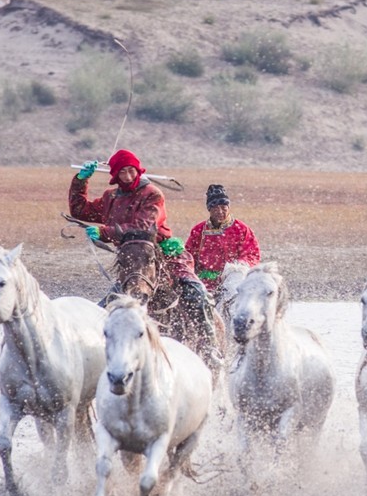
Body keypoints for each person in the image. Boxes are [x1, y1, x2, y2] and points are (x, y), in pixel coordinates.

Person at [68, 149, 219, 355]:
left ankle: (210, 348)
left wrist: (105, 232)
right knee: (106, 307)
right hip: (131, 260)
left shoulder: (152, 194)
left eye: (131, 170)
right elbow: (79, 210)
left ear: (138, 170)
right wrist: (81, 180)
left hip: (161, 253)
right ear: (115, 175)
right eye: (122, 172)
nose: (128, 176)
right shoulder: (111, 197)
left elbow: (144, 227)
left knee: (196, 293)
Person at [185, 184, 262, 293]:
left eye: (223, 208)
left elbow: (251, 254)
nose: (220, 212)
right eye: (215, 208)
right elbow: (189, 255)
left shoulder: (241, 229)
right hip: (204, 281)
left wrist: (237, 267)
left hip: (233, 280)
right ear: (209, 210)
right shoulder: (199, 230)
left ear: (228, 208)